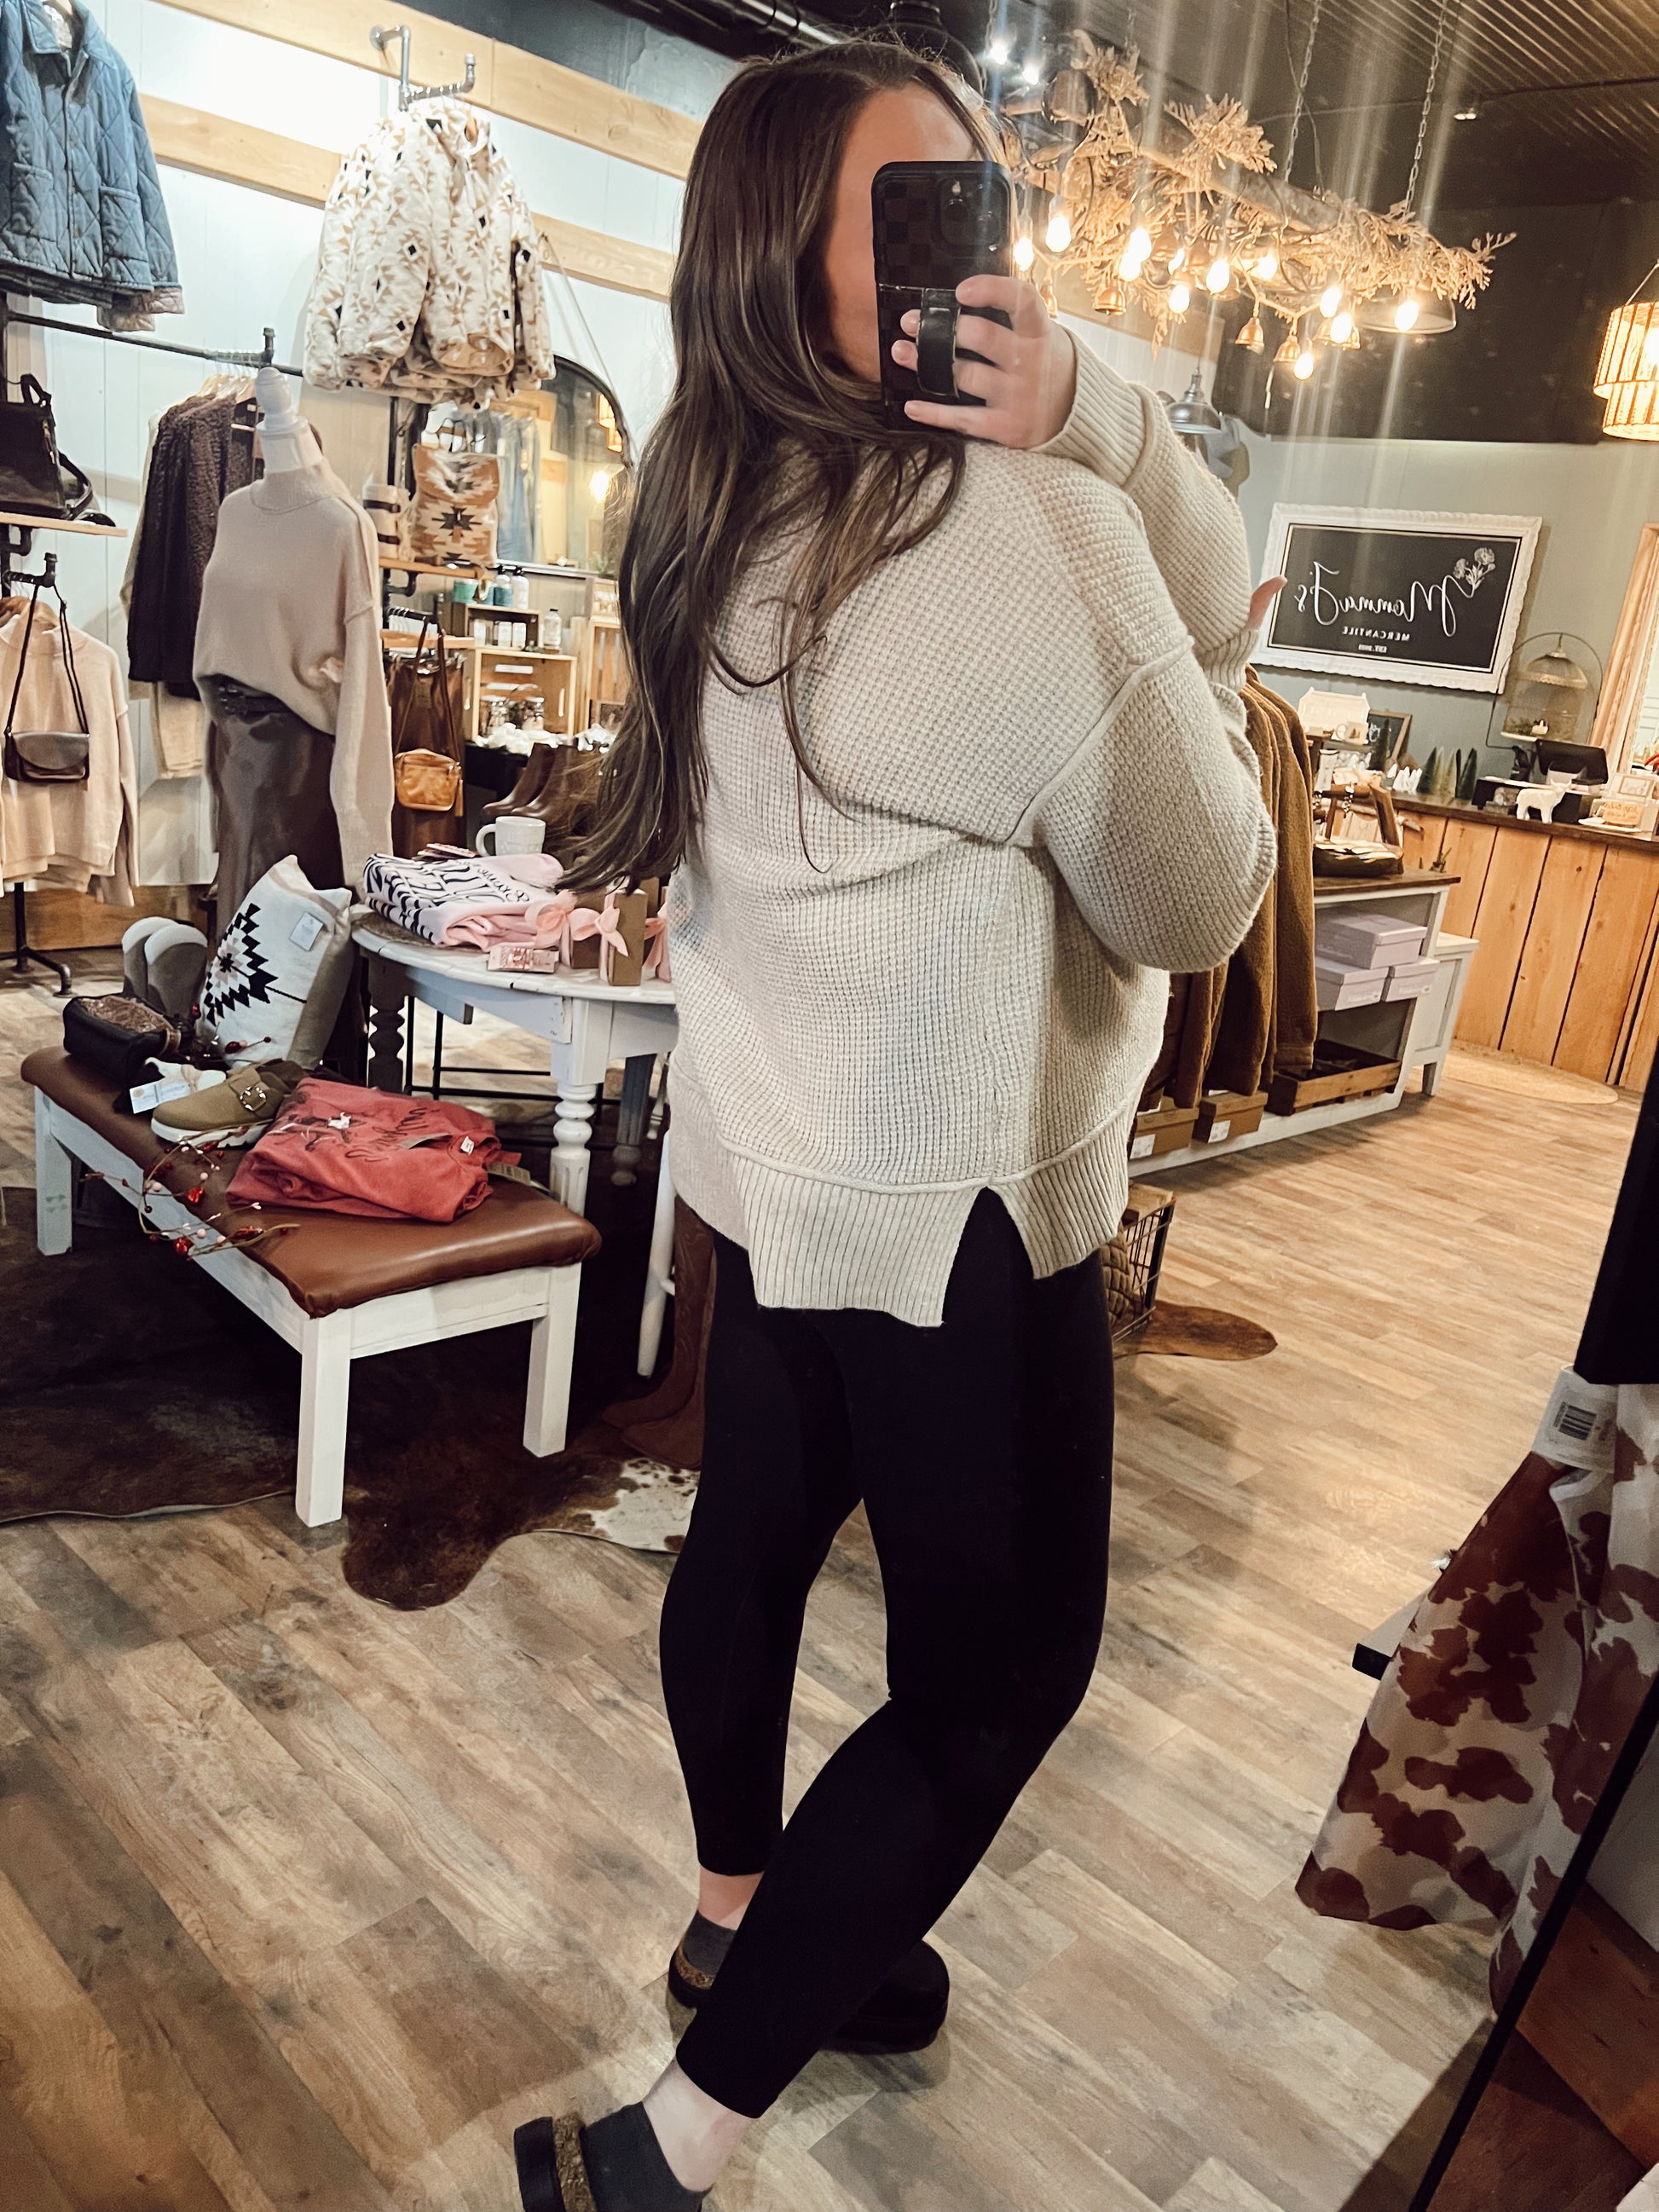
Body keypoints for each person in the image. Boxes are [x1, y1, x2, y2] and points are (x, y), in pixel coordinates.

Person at [513, 38, 1277, 2212]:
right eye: (917, 212)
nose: (975, 258)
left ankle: (735, 1915)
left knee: (753, 1541)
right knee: (997, 1674)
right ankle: (669, 2148)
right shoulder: (1026, 531)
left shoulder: (701, 514)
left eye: (980, 206)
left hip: (777, 1168)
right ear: (790, 262)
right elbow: (1203, 889)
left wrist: (1083, 423)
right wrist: (1140, 505)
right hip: (956, 1201)